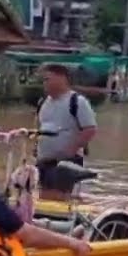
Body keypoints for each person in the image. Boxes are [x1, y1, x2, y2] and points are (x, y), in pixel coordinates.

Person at [35, 63, 97, 200]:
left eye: (47, 79)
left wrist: (70, 150)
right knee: (44, 198)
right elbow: (39, 128)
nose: (44, 83)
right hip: (44, 161)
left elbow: (90, 129)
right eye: (43, 80)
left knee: (61, 199)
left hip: (67, 162)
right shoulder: (43, 102)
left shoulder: (77, 102)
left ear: (62, 78)